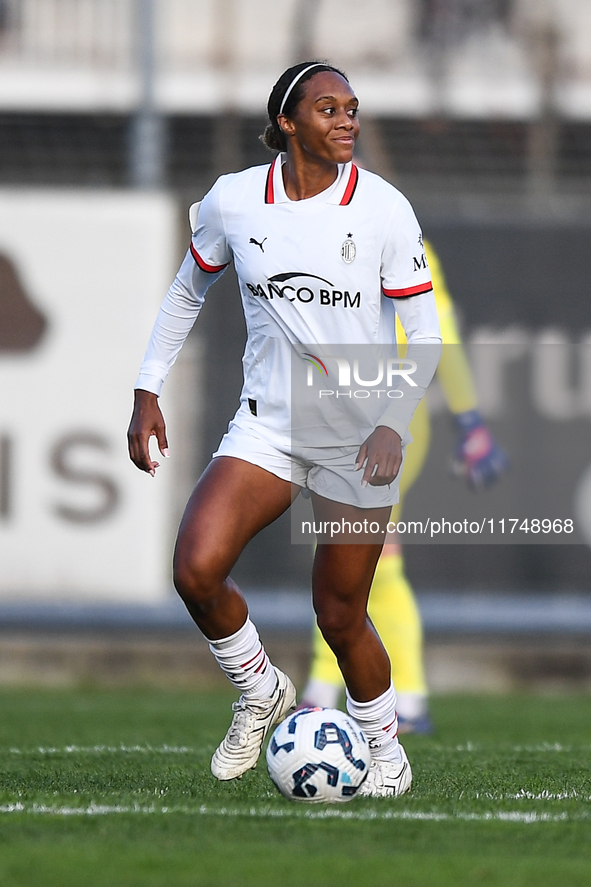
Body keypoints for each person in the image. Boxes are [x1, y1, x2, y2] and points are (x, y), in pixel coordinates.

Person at [127, 61, 442, 799]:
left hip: (356, 436)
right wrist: (147, 387)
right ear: (287, 123)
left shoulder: (384, 209)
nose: (346, 121)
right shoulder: (234, 202)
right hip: (266, 427)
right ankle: (259, 688)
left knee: (339, 614)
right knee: (194, 568)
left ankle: (384, 750)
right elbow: (185, 290)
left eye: (352, 109)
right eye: (327, 108)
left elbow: (422, 332)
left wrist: (393, 422)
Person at [300, 242, 509, 730]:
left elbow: (441, 332)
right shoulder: (312, 235)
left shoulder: (401, 240)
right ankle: (344, 690)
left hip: (391, 420)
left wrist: (470, 420)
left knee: (374, 558)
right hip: (337, 413)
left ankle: (399, 697)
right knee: (339, 551)